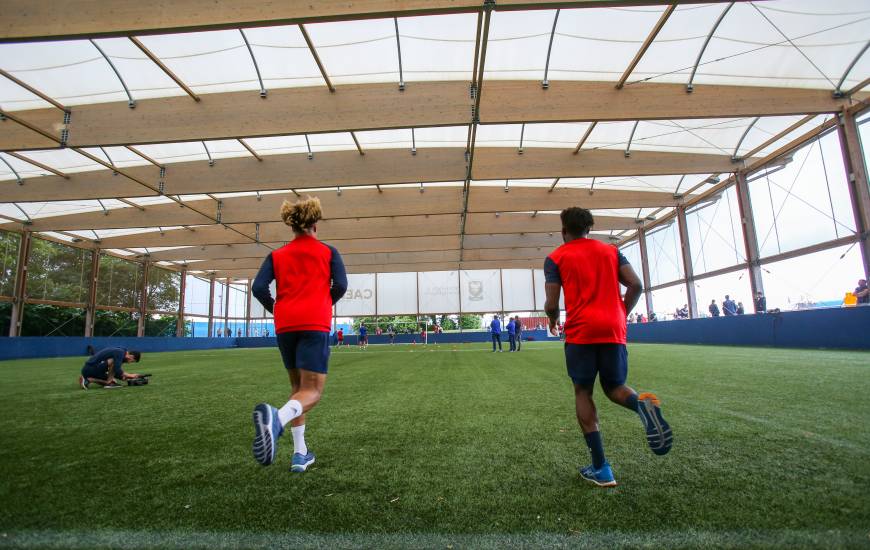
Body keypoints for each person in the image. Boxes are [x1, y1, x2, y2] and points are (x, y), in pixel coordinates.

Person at [544, 206, 672, 487]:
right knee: (615, 387)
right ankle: (641, 405)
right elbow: (636, 285)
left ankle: (601, 468)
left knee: (583, 390)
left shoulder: (555, 258)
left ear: (564, 231)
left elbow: (552, 303)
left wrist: (552, 319)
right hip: (614, 328)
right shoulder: (612, 252)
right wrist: (620, 312)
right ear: (589, 228)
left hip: (581, 330)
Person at [250, 196, 348, 472]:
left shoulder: (276, 255)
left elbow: (258, 288)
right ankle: (276, 420)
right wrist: (324, 302)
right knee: (313, 391)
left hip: (285, 325)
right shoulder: (328, 252)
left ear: (291, 226)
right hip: (313, 323)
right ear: (315, 223)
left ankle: (300, 453)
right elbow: (340, 284)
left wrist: (276, 309)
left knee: (298, 390)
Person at [79, 347, 143, 389]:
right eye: (132, 361)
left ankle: (88, 380)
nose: (129, 363)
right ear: (131, 356)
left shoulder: (121, 351)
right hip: (90, 369)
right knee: (113, 362)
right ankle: (108, 383)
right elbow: (116, 369)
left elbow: (115, 372)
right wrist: (130, 375)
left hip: (90, 370)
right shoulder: (120, 353)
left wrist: (125, 378)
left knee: (113, 381)